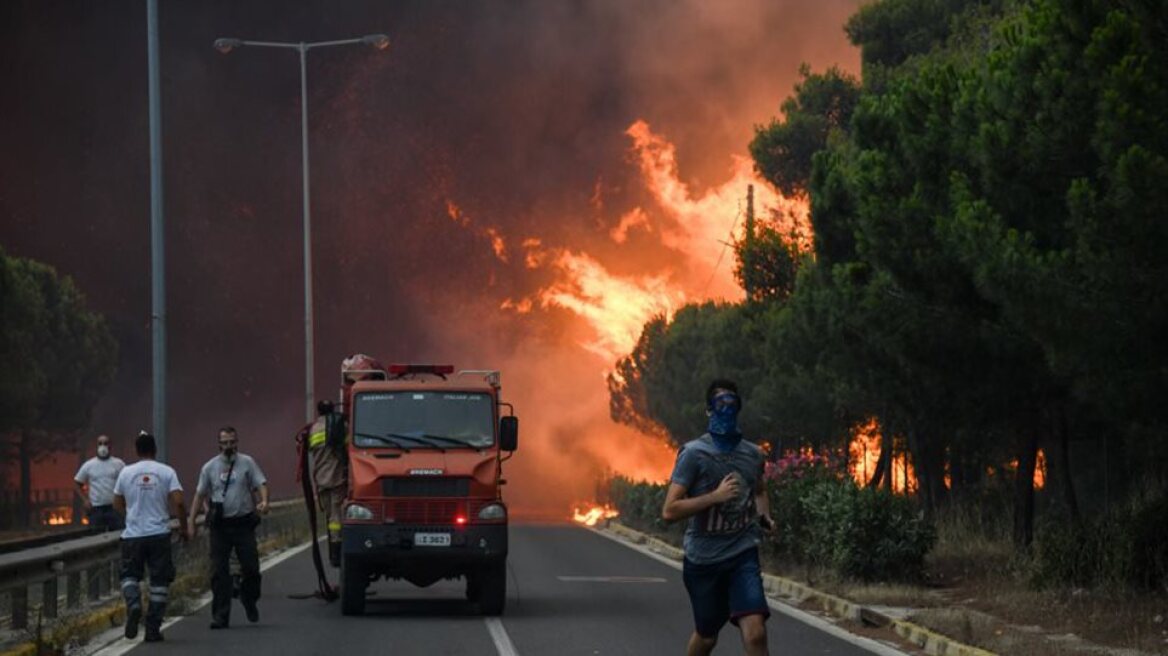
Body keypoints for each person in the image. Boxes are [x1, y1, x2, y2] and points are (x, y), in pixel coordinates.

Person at [662, 379, 775, 656]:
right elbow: (669, 511)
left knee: (756, 633)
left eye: (731, 404)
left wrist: (765, 517)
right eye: (719, 404)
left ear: (739, 408)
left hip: (742, 552)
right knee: (707, 636)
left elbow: (759, 489)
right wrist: (715, 496)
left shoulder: (753, 453)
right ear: (708, 411)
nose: (726, 410)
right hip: (703, 559)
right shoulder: (693, 454)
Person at [189, 426, 269, 629]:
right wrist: (191, 522)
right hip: (220, 527)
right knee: (218, 572)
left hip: (243, 524)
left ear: (237, 442)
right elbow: (199, 495)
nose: (228, 446)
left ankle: (248, 598)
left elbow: (261, 483)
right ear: (218, 444)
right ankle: (220, 616)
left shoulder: (247, 463)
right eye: (224, 442)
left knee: (251, 569)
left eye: (232, 442)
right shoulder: (209, 468)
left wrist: (264, 501)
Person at [112, 431, 188, 643]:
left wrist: (131, 516)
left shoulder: (126, 473)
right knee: (159, 582)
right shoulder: (166, 472)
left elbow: (116, 503)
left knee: (129, 576)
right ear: (155, 449)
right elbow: (180, 502)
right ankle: (153, 629)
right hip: (159, 535)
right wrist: (184, 529)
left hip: (133, 536)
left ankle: (134, 603)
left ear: (137, 450)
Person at [309, 400, 346, 566]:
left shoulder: (313, 429)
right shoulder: (339, 426)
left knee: (330, 516)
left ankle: (334, 548)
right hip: (337, 478)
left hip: (320, 479)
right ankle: (336, 550)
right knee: (336, 517)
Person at [75, 434, 126, 532]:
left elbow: (126, 482)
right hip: (96, 509)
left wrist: (124, 500)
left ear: (110, 446)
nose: (103, 446)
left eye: (106, 443)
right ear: (96, 446)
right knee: (95, 537)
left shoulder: (119, 464)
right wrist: (85, 500)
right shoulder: (89, 465)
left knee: (119, 535)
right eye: (100, 443)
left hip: (114, 508)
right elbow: (77, 483)